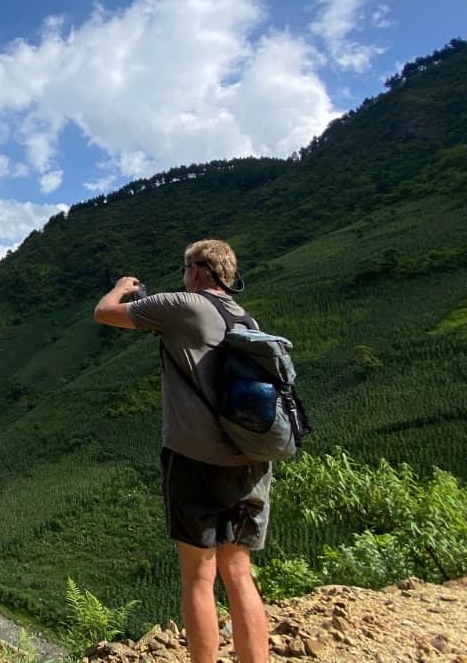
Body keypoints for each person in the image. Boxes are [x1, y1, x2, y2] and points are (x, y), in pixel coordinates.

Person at [93, 239, 270, 663]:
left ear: (196, 271)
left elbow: (103, 313)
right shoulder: (245, 318)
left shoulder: (180, 305)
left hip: (195, 459)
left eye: (185, 267)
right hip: (251, 460)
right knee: (239, 573)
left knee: (198, 577)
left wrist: (120, 287)